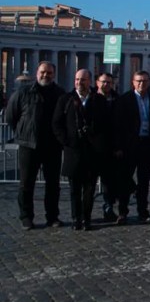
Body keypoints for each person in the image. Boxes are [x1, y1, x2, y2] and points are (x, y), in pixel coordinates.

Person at [6, 61, 65, 230]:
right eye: (43, 72)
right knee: (26, 183)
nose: (45, 75)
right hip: (29, 144)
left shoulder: (59, 93)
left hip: (52, 145)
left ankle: (52, 216)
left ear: (54, 75)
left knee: (53, 184)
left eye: (49, 73)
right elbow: (11, 117)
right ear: (37, 72)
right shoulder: (23, 92)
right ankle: (26, 217)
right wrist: (23, 131)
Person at [52, 69, 110, 231]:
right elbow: (56, 124)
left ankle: (87, 218)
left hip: (93, 152)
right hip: (73, 150)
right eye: (77, 79)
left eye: (83, 80)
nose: (80, 82)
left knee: (90, 189)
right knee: (74, 189)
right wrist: (66, 141)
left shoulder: (99, 100)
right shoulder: (65, 99)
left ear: (90, 82)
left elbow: (106, 125)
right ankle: (75, 218)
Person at [114, 70, 150, 224]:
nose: (142, 84)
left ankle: (143, 210)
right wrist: (119, 147)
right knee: (125, 180)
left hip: (146, 144)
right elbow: (118, 126)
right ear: (133, 82)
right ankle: (122, 211)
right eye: (139, 81)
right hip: (129, 146)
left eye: (145, 81)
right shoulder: (124, 100)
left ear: (149, 83)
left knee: (144, 181)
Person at [95, 72, 119, 222]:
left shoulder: (117, 100)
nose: (106, 85)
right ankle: (84, 212)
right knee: (88, 182)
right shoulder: (90, 98)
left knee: (109, 182)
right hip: (92, 146)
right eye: (103, 82)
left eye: (109, 82)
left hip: (110, 147)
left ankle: (108, 207)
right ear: (97, 83)